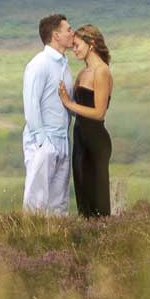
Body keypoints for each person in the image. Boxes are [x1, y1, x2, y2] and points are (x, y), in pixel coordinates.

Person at [21, 13, 76, 214]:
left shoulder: (65, 66)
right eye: (68, 29)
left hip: (62, 139)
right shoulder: (39, 64)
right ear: (56, 35)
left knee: (59, 202)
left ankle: (56, 243)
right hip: (44, 140)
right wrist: (43, 142)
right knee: (36, 200)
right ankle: (30, 241)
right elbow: (31, 103)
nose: (73, 33)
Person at [59, 24, 113, 217]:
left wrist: (68, 102)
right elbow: (77, 108)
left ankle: (104, 239)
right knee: (82, 193)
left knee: (97, 198)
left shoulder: (102, 71)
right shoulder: (83, 73)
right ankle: (90, 240)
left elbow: (99, 113)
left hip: (96, 141)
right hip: (80, 139)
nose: (74, 50)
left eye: (76, 45)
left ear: (91, 44)